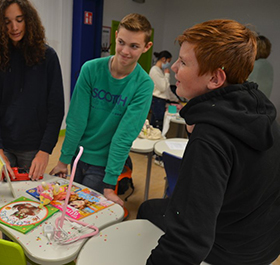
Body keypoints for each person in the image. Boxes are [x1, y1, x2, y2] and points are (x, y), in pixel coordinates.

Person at [137, 19, 280, 265]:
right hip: (265, 244)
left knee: (147, 209)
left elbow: (188, 241)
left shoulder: (211, 136)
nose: (173, 69)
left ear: (215, 78)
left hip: (230, 251)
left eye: (183, 63)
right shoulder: (260, 112)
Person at [50, 13, 154, 206]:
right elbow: (76, 120)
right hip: (78, 156)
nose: (125, 51)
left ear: (147, 47)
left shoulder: (144, 85)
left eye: (134, 46)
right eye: (121, 42)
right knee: (66, 208)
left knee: (81, 213)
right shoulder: (91, 69)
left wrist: (109, 184)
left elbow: (124, 136)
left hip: (103, 163)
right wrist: (63, 160)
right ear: (115, 36)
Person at [0, 0, 64, 180]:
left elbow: (56, 108)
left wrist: (45, 150)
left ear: (28, 20)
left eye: (19, 19)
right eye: (7, 22)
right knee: (3, 200)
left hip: (34, 147)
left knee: (31, 202)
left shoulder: (48, 57)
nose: (14, 27)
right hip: (3, 146)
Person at [149, 50, 178, 131]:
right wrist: (167, 75)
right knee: (158, 124)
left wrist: (175, 99)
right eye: (168, 61)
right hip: (157, 100)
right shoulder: (154, 70)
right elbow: (163, 88)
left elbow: (167, 89)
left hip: (160, 101)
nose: (168, 64)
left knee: (156, 124)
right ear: (163, 59)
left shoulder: (159, 71)